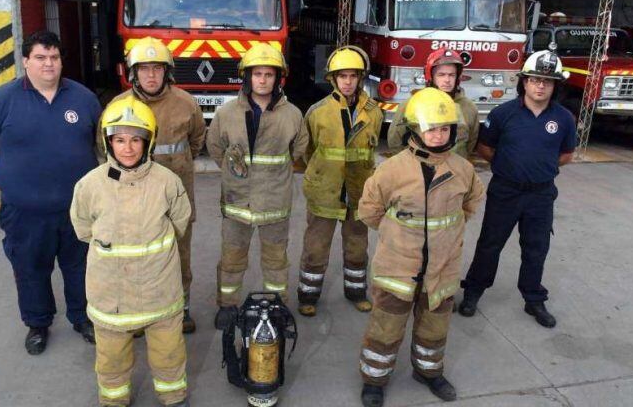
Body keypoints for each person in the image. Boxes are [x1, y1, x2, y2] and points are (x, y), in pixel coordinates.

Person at [357, 88, 485, 406]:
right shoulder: (391, 170)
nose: (438, 135)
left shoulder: (463, 171)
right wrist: (399, 235)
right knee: (386, 326)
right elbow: (369, 211)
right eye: (431, 128)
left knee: (435, 325)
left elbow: (469, 206)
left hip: (441, 269)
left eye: (444, 129)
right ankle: (374, 379)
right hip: (397, 268)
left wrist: (443, 236)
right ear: (415, 129)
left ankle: (428, 371)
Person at [0, 30, 100, 355]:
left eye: (54, 57)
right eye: (41, 57)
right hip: (24, 212)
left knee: (80, 266)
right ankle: (37, 323)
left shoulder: (84, 98)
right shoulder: (1, 101)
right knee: (30, 268)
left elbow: (96, 143)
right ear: (26, 61)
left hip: (78, 210)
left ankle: (83, 318)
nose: (49, 64)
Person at [71, 96, 191, 407]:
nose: (128, 148)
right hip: (112, 297)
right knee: (111, 359)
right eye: (119, 140)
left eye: (136, 139)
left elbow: (180, 222)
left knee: (169, 353)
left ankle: (174, 397)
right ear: (107, 142)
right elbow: (83, 228)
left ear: (148, 142)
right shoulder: (90, 186)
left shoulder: (167, 183)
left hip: (159, 294)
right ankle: (114, 401)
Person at [458, 50, 576, 328]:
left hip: (541, 194)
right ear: (524, 81)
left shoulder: (564, 118)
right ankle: (473, 291)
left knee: (536, 248)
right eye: (535, 79)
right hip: (505, 191)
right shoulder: (502, 114)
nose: (540, 86)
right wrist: (510, 167)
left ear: (555, 85)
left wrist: (540, 169)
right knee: (490, 244)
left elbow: (566, 154)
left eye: (547, 81)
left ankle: (533, 298)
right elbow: (485, 147)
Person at [206, 43, 308, 329]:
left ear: (278, 79)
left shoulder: (292, 115)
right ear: (247, 77)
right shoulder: (227, 114)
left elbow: (298, 149)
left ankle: (277, 307)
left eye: (269, 74)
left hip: (275, 204)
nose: (262, 80)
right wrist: (234, 174)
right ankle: (227, 306)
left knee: (276, 262)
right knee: (231, 259)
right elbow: (215, 147)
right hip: (237, 202)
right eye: (257, 74)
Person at [108, 37, 206, 333]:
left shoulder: (186, 103)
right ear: (133, 73)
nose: (151, 75)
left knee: (179, 256)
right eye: (144, 69)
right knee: (137, 257)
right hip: (133, 202)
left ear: (167, 72)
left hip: (176, 200)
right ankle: (139, 314)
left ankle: (181, 310)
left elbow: (196, 141)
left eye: (157, 68)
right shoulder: (119, 107)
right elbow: (108, 156)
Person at [296, 45, 383, 317]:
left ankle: (356, 292)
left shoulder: (374, 112)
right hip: (325, 190)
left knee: (357, 245)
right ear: (333, 79)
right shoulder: (317, 112)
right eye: (342, 76)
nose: (347, 82)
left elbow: (372, 148)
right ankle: (307, 295)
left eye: (352, 76)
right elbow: (308, 150)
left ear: (360, 78)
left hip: (358, 191)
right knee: (315, 246)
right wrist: (323, 173)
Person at [389, 48, 479, 160]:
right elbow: (395, 141)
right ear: (430, 76)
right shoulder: (411, 104)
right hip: (418, 172)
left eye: (451, 75)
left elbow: (470, 144)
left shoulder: (469, 108)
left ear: (458, 77)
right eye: (441, 75)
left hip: (454, 172)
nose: (447, 80)